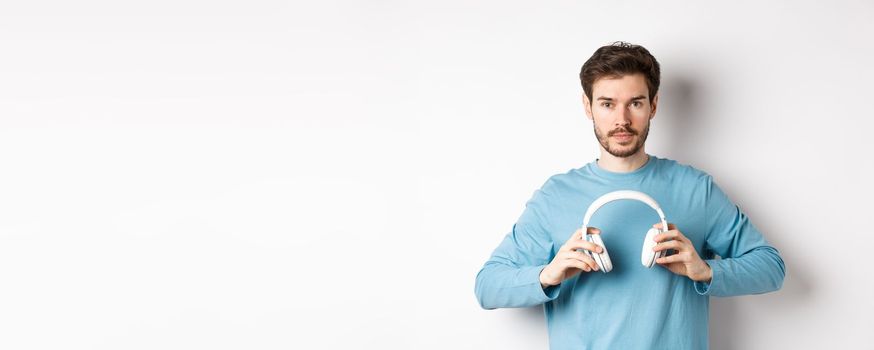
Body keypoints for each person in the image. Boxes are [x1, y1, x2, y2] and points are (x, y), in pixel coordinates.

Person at [473, 41, 785, 349]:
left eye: (635, 103)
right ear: (588, 106)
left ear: (654, 105)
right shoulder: (555, 196)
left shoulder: (695, 188)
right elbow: (488, 287)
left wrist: (705, 271)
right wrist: (549, 273)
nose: (621, 120)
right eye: (607, 104)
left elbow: (770, 268)